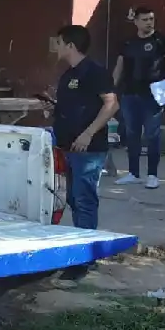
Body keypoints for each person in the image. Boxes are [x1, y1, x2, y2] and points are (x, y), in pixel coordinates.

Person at [52, 25, 118, 267]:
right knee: (71, 197)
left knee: (84, 199)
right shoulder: (68, 75)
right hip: (67, 145)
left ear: (70, 45)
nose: (56, 47)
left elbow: (111, 104)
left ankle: (84, 259)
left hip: (88, 149)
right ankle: (83, 244)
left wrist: (88, 133)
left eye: (59, 42)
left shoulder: (94, 71)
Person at [112, 6, 165, 189]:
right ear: (135, 21)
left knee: (152, 135)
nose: (149, 22)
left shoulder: (161, 41)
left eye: (151, 19)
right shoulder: (127, 42)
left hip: (154, 94)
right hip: (130, 94)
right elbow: (119, 68)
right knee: (131, 134)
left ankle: (153, 175)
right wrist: (111, 90)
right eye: (145, 19)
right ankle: (133, 173)